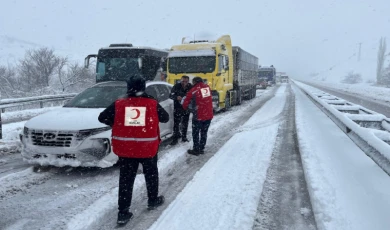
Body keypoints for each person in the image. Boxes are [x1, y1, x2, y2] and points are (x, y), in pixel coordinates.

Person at [98, 75, 169, 225]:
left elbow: (102, 117)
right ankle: (152, 200)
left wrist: (115, 123)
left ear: (128, 87)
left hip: (126, 149)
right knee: (151, 175)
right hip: (147, 148)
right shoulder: (151, 103)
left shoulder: (119, 104)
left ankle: (123, 213)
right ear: (144, 87)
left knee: (126, 180)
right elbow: (165, 118)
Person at [182, 76, 213, 155]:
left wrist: (186, 107)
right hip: (208, 115)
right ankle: (201, 148)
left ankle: (196, 149)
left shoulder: (193, 90)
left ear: (195, 82)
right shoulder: (206, 88)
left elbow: (186, 103)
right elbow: (205, 100)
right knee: (204, 132)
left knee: (195, 133)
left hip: (198, 115)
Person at [169, 75, 192, 145]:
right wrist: (176, 97)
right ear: (180, 80)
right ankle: (175, 138)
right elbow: (170, 95)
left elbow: (194, 96)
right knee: (176, 124)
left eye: (186, 81)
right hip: (178, 107)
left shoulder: (190, 87)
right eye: (183, 81)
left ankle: (184, 137)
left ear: (188, 81)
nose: (184, 83)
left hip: (186, 108)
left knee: (185, 123)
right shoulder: (176, 86)